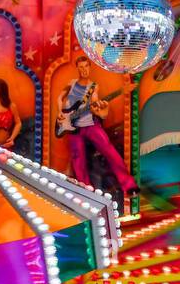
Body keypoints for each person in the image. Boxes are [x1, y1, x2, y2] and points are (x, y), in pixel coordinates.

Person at [59, 57, 138, 207]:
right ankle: (86, 193)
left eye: (86, 67)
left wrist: (98, 108)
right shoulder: (71, 83)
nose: (83, 70)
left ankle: (129, 185)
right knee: (78, 159)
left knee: (109, 150)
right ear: (77, 68)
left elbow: (95, 100)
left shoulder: (93, 86)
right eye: (80, 67)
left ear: (89, 68)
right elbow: (61, 100)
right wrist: (60, 113)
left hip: (90, 124)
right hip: (73, 127)